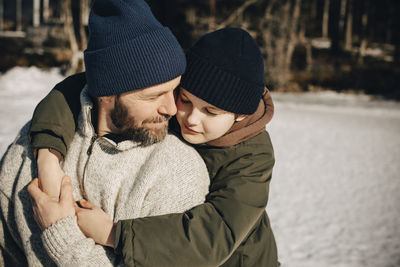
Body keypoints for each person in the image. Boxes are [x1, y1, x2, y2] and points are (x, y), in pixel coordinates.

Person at [27, 28, 279, 266]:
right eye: (185, 100)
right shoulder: (170, 110)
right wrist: (48, 155)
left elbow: (214, 236)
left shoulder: (252, 158)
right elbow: (89, 86)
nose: (191, 118)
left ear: (241, 116)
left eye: (210, 112)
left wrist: (114, 233)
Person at [0, 0, 210, 266]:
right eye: (153, 96)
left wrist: (61, 234)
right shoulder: (35, 145)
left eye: (174, 90)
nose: (171, 108)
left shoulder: (178, 171)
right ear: (106, 93)